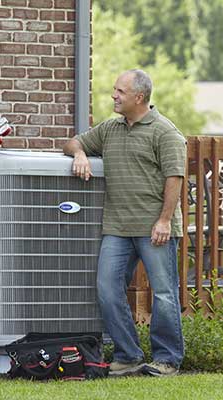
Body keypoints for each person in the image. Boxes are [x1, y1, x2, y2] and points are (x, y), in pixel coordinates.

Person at [63, 69, 186, 377]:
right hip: (117, 228)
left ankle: (167, 359)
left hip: (154, 228)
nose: (114, 96)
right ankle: (128, 354)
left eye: (120, 91)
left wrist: (165, 220)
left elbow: (175, 178)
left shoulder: (165, 132)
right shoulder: (110, 129)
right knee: (107, 288)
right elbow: (73, 142)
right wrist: (80, 154)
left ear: (139, 97)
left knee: (164, 293)